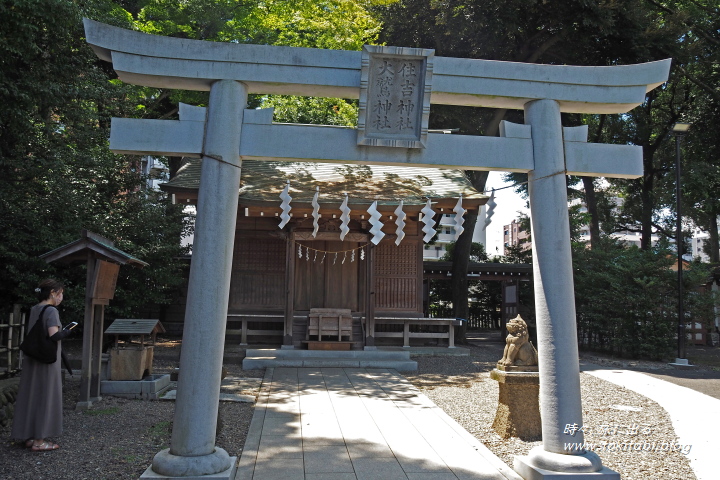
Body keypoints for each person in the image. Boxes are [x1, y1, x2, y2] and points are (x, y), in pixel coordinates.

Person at [11, 278, 72, 451]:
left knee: (31, 395)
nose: (61, 299)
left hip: (32, 359)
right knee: (46, 396)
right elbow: (54, 336)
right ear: (53, 293)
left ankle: (29, 436)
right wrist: (67, 331)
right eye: (60, 295)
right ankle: (39, 441)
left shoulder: (35, 309)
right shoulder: (51, 310)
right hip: (47, 361)